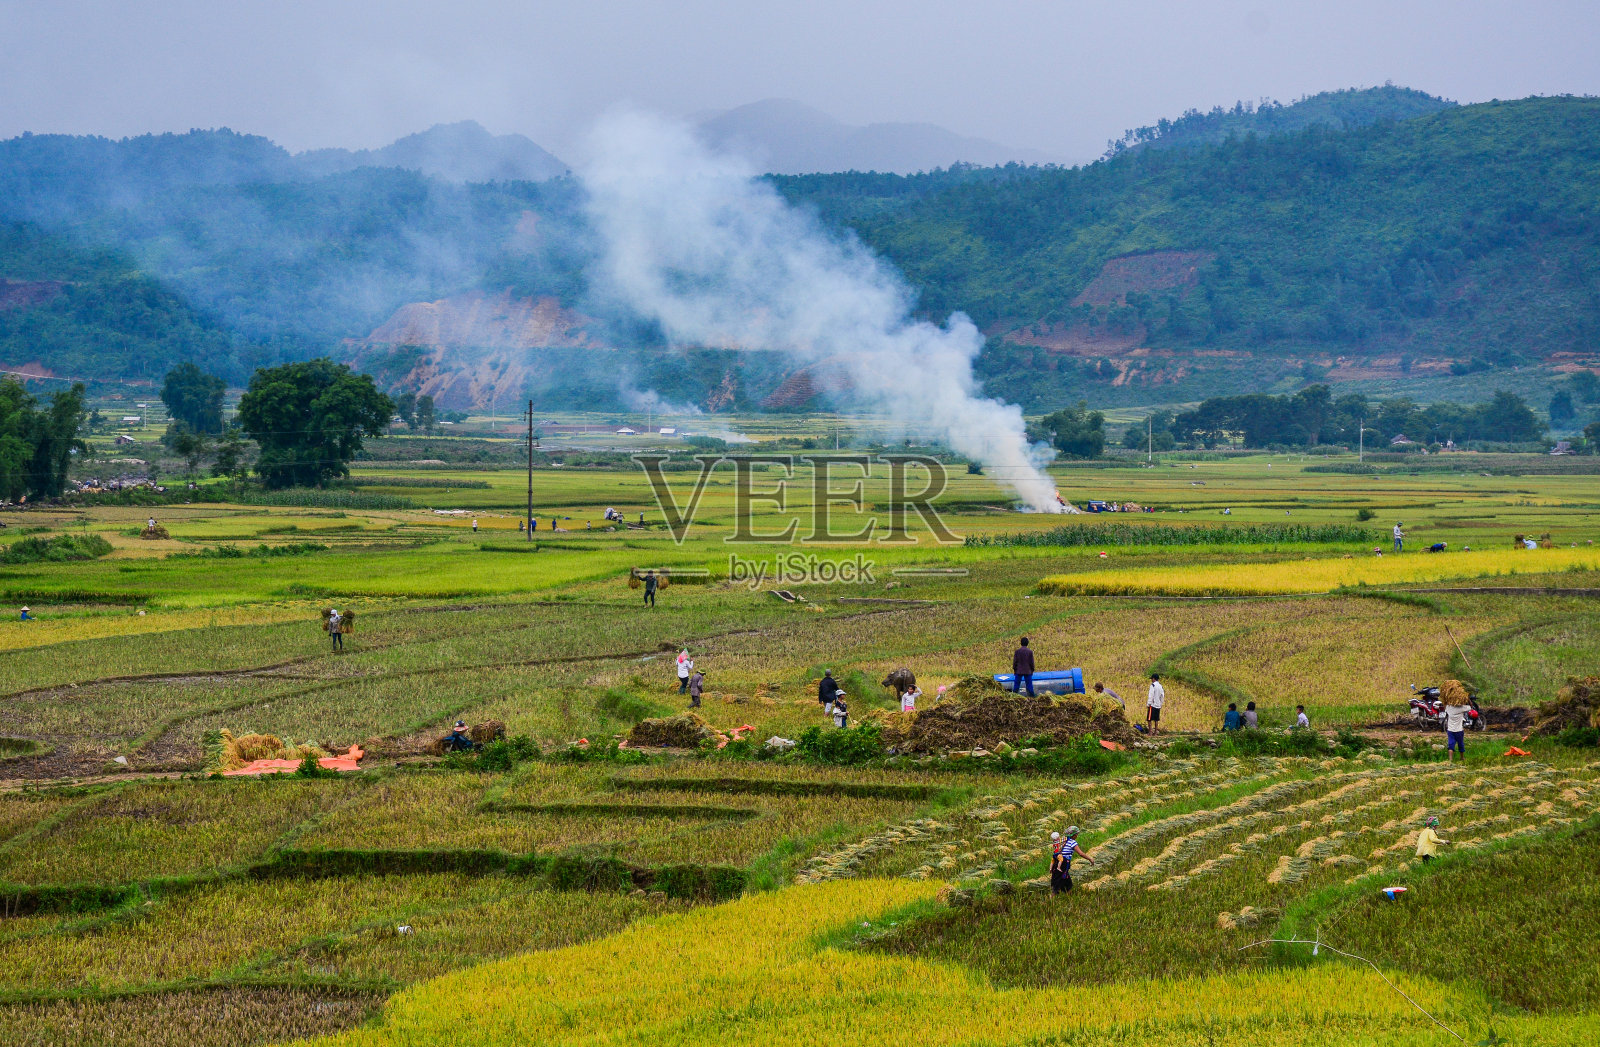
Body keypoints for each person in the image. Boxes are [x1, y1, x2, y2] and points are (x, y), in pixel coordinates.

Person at [1049, 826, 1096, 894]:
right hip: (1063, 863)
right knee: (1057, 886)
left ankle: (1067, 898)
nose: (1077, 836)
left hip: (1056, 862)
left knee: (1067, 884)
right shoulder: (1072, 842)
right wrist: (1090, 859)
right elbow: (1081, 853)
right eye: (1076, 834)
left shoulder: (1062, 841)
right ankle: (1052, 900)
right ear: (1073, 835)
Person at [1441, 680, 1472, 761]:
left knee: (1451, 745)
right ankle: (1462, 758)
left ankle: (1450, 760)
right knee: (1460, 744)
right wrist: (1467, 698)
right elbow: (1470, 707)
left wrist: (1447, 698)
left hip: (1450, 730)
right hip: (1459, 730)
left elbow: (1445, 703)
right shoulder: (1461, 708)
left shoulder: (1448, 708)